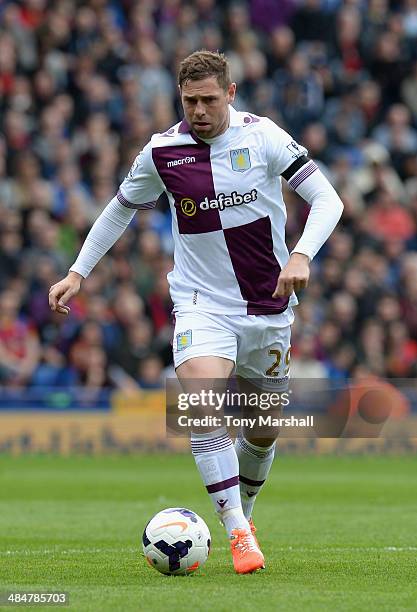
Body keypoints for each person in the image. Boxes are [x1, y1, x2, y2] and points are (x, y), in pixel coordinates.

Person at [49, 50, 343, 574]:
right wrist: (78, 272)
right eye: (190, 101)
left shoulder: (264, 137)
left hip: (267, 307)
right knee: (203, 404)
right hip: (201, 305)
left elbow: (328, 200)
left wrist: (301, 254)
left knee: (263, 429)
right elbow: (121, 208)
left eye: (209, 99)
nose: (200, 111)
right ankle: (237, 535)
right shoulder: (163, 151)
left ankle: (244, 515)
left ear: (230, 94)